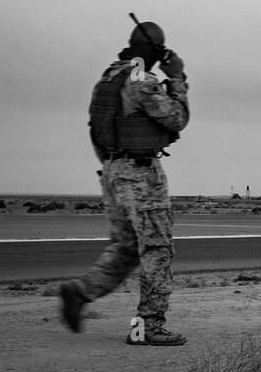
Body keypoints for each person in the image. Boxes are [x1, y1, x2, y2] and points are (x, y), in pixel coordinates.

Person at [59, 21, 190, 345]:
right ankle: (149, 326)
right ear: (154, 51)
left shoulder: (107, 79)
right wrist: (177, 78)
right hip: (141, 175)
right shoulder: (142, 82)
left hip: (113, 172)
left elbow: (98, 130)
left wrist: (113, 166)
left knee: (126, 247)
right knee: (156, 251)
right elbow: (177, 118)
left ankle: (81, 291)